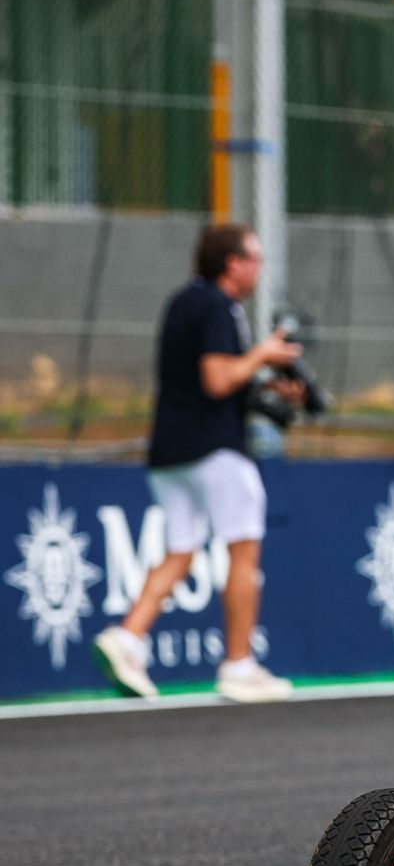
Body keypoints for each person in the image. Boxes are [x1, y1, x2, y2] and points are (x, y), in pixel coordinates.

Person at [91, 223, 304, 702]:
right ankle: (239, 664)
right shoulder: (218, 306)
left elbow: (214, 379)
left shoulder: (185, 301)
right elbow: (216, 379)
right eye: (255, 257)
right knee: (243, 551)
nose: (259, 267)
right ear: (233, 263)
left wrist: (269, 386)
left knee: (180, 549)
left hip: (170, 452)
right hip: (216, 451)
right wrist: (264, 354)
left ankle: (127, 638)